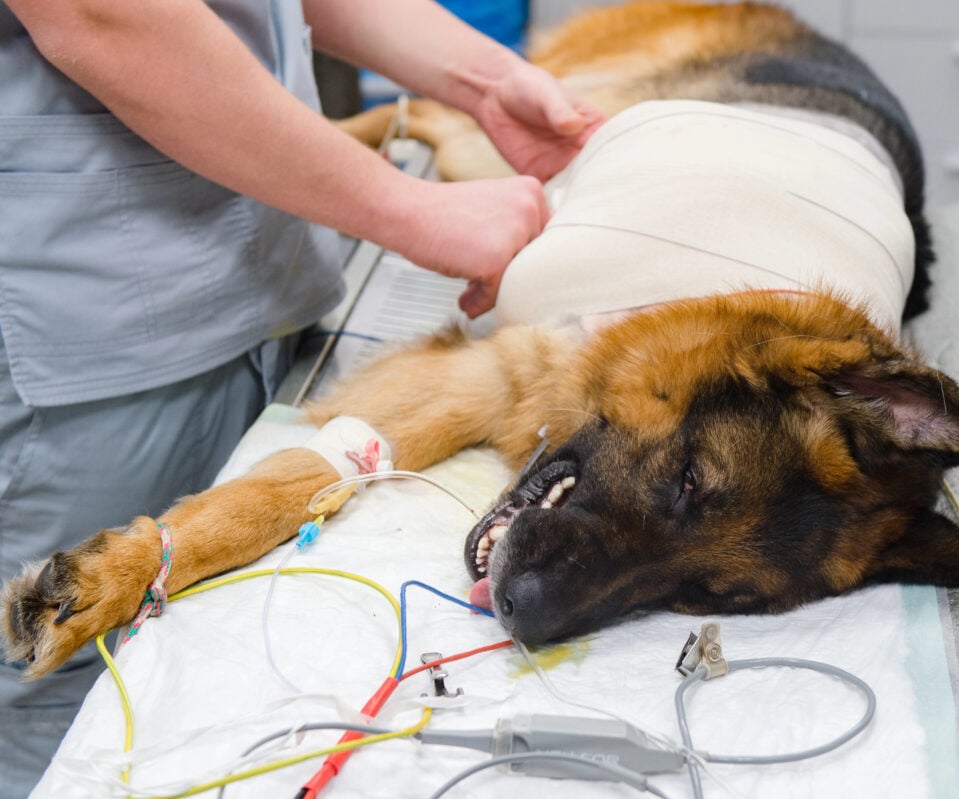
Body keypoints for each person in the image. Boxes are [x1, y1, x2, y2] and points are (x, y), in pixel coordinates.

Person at [0, 0, 604, 794]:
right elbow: (99, 12)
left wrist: (485, 80)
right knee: (82, 718)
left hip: (249, 280)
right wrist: (408, 210)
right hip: (96, 327)